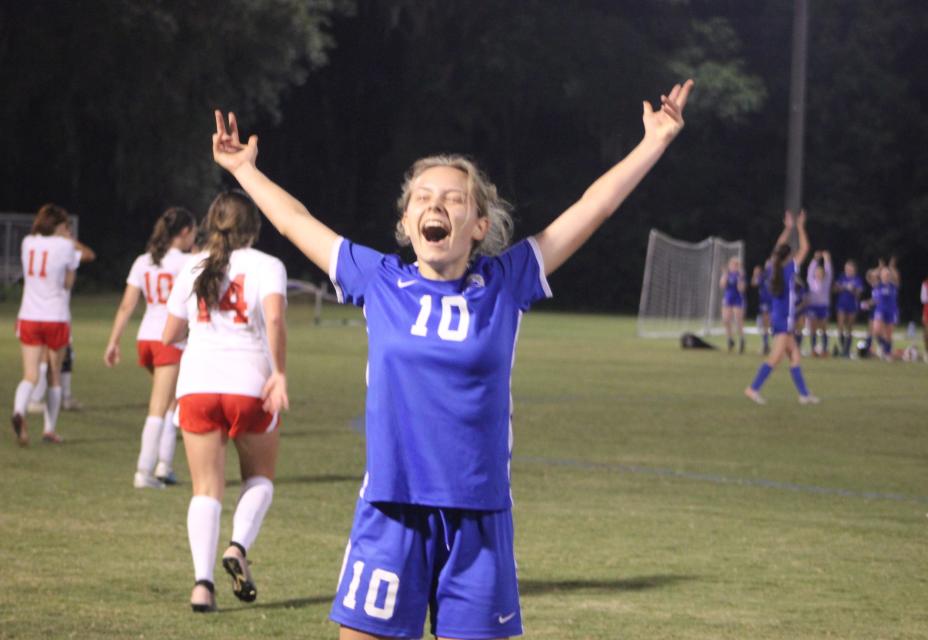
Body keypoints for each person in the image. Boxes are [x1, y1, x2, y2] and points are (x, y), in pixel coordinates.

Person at [212, 78, 693, 639]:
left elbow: (594, 206)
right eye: (422, 196)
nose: (435, 204)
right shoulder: (379, 279)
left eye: (453, 198)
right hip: (391, 509)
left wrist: (653, 142)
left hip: (478, 517)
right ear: (406, 223)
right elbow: (296, 222)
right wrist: (244, 171)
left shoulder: (506, 282)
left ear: (479, 226)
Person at [162, 191, 288, 613]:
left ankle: (202, 586)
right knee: (260, 481)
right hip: (249, 383)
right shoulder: (267, 265)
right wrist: (280, 373)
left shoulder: (193, 266)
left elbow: (169, 333)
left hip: (197, 383)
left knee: (205, 490)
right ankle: (237, 546)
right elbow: (273, 318)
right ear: (253, 226)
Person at [104, 207, 197, 488]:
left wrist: (113, 341)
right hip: (170, 340)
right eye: (192, 231)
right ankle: (144, 471)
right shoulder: (187, 261)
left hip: (145, 339)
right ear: (184, 232)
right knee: (160, 406)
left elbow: (126, 305)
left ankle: (164, 467)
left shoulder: (143, 261)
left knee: (170, 401)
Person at [11, 204, 82, 445]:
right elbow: (68, 283)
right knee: (54, 374)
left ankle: (19, 410)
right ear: (59, 226)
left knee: (30, 374)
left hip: (29, 315)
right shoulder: (65, 246)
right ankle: (49, 429)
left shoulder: (28, 242)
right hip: (55, 316)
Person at [744, 211, 819, 405]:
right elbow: (806, 247)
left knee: (794, 355)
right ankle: (753, 389)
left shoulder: (771, 267)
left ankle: (804, 394)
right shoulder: (788, 269)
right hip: (784, 317)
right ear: (789, 256)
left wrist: (787, 228)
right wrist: (800, 226)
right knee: (776, 357)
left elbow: (778, 249)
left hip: (779, 315)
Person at [28, 228, 96, 413]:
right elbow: (89, 255)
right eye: (64, 228)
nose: (68, 231)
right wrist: (70, 240)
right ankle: (35, 398)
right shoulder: (62, 251)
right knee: (46, 358)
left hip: (46, 312)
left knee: (65, 355)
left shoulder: (41, 248)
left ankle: (64, 397)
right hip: (52, 313)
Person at [864, 258, 899, 360]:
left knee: (888, 334)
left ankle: (887, 353)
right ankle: (884, 347)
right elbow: (869, 276)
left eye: (888, 275)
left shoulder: (893, 285)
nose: (887, 276)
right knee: (876, 331)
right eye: (885, 275)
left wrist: (891, 268)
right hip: (880, 310)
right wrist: (880, 268)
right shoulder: (877, 285)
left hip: (891, 311)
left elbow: (896, 277)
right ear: (881, 276)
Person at [833, 259, 864, 358]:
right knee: (840, 326)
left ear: (854, 269)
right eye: (847, 268)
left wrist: (853, 289)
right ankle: (844, 349)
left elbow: (859, 293)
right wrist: (841, 287)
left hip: (852, 305)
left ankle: (846, 350)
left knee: (849, 327)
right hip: (842, 304)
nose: (848, 270)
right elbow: (835, 289)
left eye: (850, 268)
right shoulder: (842, 277)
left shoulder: (857, 279)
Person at [805, 250, 833, 357]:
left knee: (824, 327)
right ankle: (813, 349)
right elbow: (809, 271)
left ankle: (825, 349)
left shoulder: (826, 282)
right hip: (813, 306)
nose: (818, 274)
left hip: (823, 306)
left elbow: (829, 271)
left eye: (821, 272)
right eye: (817, 272)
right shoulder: (811, 281)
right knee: (813, 328)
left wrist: (826, 259)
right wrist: (815, 260)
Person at [720, 256, 746, 353]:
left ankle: (742, 339)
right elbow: (722, 285)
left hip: (738, 300)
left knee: (738, 321)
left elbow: (741, 289)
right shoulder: (728, 274)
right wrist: (724, 275)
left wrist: (740, 278)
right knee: (726, 320)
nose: (734, 266)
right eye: (732, 264)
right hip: (728, 298)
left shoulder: (740, 275)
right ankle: (730, 339)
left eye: (736, 264)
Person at [751, 261, 773, 355]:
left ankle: (772, 345)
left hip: (774, 302)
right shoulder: (763, 275)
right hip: (765, 303)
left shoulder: (777, 274)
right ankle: (766, 345)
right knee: (765, 324)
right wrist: (755, 274)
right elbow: (754, 283)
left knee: (772, 324)